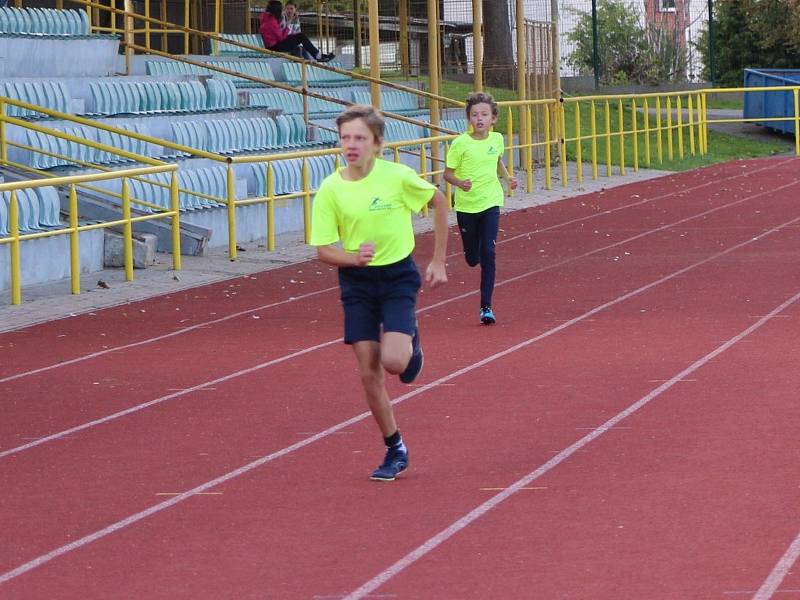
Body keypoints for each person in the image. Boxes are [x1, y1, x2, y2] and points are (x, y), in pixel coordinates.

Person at [310, 105, 449, 481]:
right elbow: (323, 250)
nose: (351, 145)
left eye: (359, 138)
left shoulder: (398, 177)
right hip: (357, 282)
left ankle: (411, 346)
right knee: (368, 373)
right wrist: (352, 258)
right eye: (345, 138)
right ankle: (394, 447)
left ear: (377, 143)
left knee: (395, 363)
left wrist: (438, 260)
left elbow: (438, 200)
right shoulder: (331, 188)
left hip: (397, 277)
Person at [443, 91, 517, 325]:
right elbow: (447, 174)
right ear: (469, 118)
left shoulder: (497, 140)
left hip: (491, 201)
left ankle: (486, 307)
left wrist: (507, 179)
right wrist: (459, 183)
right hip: (466, 206)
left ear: (493, 118)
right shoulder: (460, 144)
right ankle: (471, 254)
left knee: (489, 252)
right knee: (473, 258)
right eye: (475, 115)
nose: (480, 119)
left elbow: (496, 161)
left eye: (484, 114)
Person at [259, 0, 334, 62]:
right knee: (301, 37)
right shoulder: (272, 21)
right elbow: (281, 38)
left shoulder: (267, 18)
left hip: (273, 45)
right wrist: (287, 26)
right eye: (284, 9)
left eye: (291, 9)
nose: (284, 11)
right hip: (274, 47)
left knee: (300, 43)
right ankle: (318, 56)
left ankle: (316, 58)